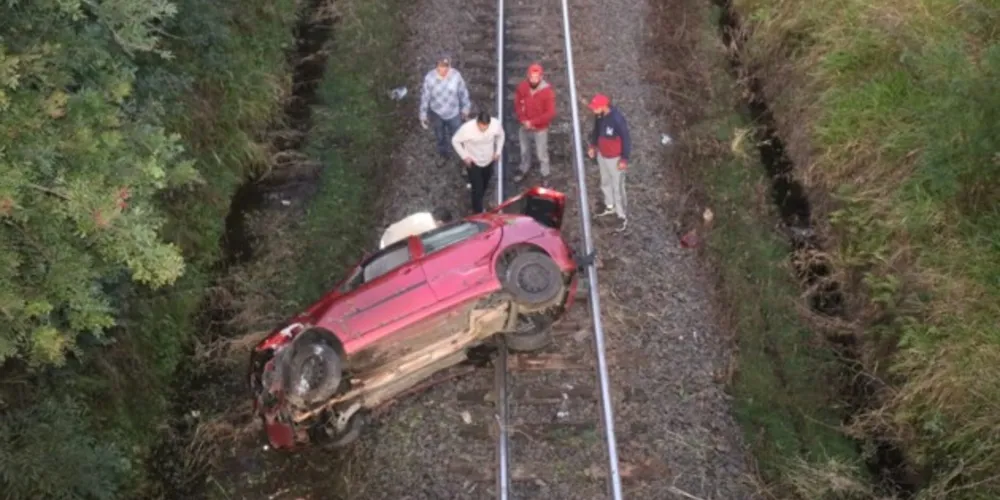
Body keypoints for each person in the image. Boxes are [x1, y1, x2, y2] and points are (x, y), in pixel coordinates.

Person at [586, 93, 631, 232]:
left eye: (595, 107)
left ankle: (622, 216)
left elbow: (626, 138)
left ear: (604, 106)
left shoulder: (617, 119)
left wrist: (624, 158)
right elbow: (596, 131)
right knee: (605, 181)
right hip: (602, 155)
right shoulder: (599, 116)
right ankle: (609, 205)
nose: (593, 110)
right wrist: (593, 146)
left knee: (618, 186)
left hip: (615, 158)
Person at [419, 54, 472, 164]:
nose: (443, 69)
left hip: (454, 113)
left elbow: (463, 92)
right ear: (436, 66)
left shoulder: (456, 76)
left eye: (446, 66)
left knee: (458, 136)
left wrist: (466, 108)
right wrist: (423, 114)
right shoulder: (429, 78)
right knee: (440, 136)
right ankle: (443, 155)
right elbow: (425, 97)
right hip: (437, 114)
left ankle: (463, 157)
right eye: (441, 66)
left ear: (450, 66)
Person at [452, 110, 505, 213]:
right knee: (477, 190)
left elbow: (501, 136)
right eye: (481, 127)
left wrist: (498, 151)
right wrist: (465, 156)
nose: (483, 130)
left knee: (485, 182)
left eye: (486, 127)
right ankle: (477, 211)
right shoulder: (466, 129)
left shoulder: (495, 125)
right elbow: (455, 140)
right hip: (474, 162)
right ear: (477, 122)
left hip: (489, 160)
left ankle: (480, 195)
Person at [513, 63, 556, 184]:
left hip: (540, 128)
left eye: (537, 77)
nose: (534, 79)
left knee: (541, 153)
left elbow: (550, 113)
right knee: (524, 150)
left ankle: (545, 174)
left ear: (541, 77)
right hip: (524, 126)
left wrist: (533, 122)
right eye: (532, 77)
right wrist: (523, 120)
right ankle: (524, 168)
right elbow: (517, 105)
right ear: (528, 76)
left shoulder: (547, 92)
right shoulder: (522, 87)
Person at [379, 207, 454, 249]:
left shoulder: (423, 215)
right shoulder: (431, 228)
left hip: (386, 236)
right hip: (388, 249)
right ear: (440, 222)